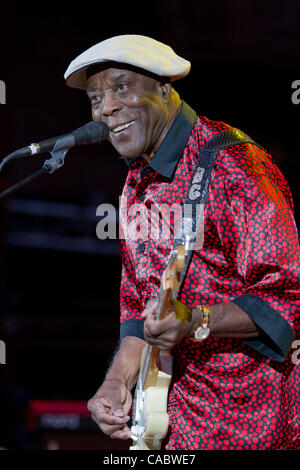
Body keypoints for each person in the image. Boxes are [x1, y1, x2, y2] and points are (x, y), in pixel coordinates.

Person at [64, 35, 300, 450]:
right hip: (173, 429)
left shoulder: (236, 167)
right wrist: (116, 382)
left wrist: (196, 320)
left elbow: (287, 297)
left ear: (163, 87)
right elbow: (141, 311)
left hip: (250, 423)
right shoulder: (136, 184)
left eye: (121, 87)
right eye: (95, 97)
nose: (106, 108)